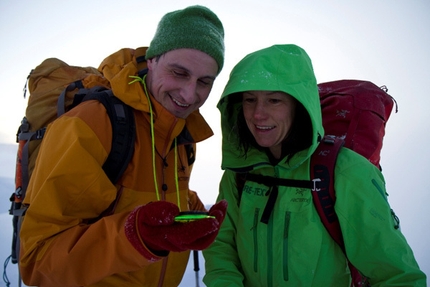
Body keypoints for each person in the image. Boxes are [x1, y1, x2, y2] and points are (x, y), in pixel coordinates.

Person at [19, 5, 227, 287]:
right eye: (179, 72)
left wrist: (193, 213)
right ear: (152, 60)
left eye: (205, 82)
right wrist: (133, 237)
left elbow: (149, 192)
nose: (190, 94)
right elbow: (37, 261)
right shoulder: (93, 125)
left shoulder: (181, 134)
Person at [203, 44, 426, 286]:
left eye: (274, 100)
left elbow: (397, 275)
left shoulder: (345, 172)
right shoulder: (240, 173)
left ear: (300, 106)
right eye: (249, 99)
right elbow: (222, 246)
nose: (258, 114)